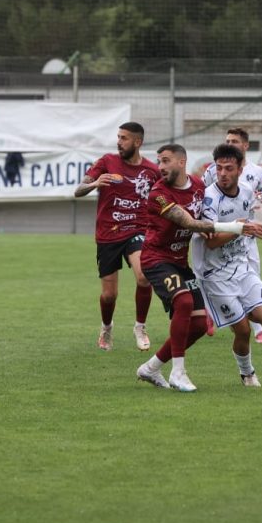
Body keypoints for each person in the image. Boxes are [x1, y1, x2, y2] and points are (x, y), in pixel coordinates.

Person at [135, 144, 262, 392]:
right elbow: (189, 222)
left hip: (180, 263)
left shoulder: (198, 188)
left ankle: (150, 368)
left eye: (165, 161)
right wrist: (238, 227)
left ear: (182, 162)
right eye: (159, 162)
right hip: (156, 260)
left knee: (197, 325)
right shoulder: (158, 194)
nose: (160, 167)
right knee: (184, 302)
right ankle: (178, 372)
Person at [193, 144, 262, 388]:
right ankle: (247, 373)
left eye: (229, 168)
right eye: (219, 168)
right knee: (243, 330)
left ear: (241, 169)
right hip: (215, 274)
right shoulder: (209, 198)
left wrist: (254, 221)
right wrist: (240, 227)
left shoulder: (249, 189)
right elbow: (211, 243)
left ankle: (228, 310)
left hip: (242, 267)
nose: (223, 173)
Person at [75, 122, 161, 351]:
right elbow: (78, 190)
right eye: (118, 137)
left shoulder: (152, 171)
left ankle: (140, 326)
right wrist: (95, 183)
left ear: (137, 142)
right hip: (108, 235)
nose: (119, 142)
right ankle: (106, 327)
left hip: (137, 230)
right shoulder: (106, 162)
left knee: (144, 277)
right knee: (109, 295)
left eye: (124, 138)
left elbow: (163, 197)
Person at [201, 127, 262, 343]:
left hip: (247, 238)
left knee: (253, 279)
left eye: (235, 141)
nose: (231, 143)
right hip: (224, 235)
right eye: (228, 140)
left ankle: (255, 325)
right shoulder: (212, 176)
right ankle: (228, 315)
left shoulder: (256, 173)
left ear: (245, 146)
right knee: (239, 325)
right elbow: (203, 197)